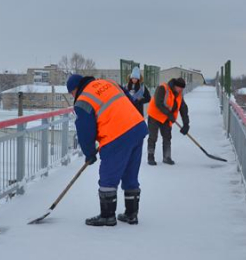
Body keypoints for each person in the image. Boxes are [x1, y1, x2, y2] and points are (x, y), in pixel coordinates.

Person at [68, 74, 148, 226]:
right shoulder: (109, 82)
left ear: (76, 89)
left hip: (117, 135)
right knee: (130, 172)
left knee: (108, 175)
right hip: (137, 127)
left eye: (71, 93)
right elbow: (129, 101)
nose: (72, 96)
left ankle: (107, 215)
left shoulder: (83, 100)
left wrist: (89, 153)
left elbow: (85, 131)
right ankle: (131, 214)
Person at [147, 77, 190, 165]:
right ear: (175, 86)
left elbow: (183, 109)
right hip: (155, 115)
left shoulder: (179, 95)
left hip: (167, 118)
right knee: (153, 137)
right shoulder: (163, 88)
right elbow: (158, 103)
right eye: (180, 88)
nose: (181, 90)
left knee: (167, 137)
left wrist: (186, 124)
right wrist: (169, 114)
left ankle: (167, 157)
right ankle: (150, 156)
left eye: (182, 89)